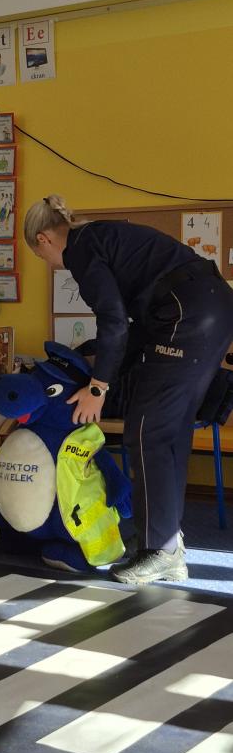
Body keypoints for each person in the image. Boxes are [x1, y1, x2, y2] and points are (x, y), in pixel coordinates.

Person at [24, 194, 233, 584]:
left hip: (188, 313)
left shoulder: (82, 249)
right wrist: (99, 367)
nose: (51, 266)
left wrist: (98, 388)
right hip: (211, 307)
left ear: (44, 239)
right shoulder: (101, 237)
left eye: (42, 258)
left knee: (147, 430)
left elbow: (114, 322)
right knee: (169, 431)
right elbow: (133, 329)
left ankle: (160, 551)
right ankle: (166, 540)